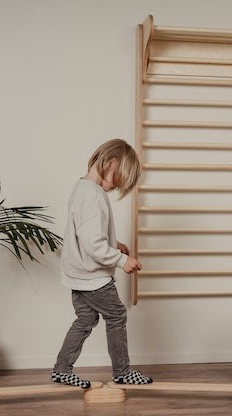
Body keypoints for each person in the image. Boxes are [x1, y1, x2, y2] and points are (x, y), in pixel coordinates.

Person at [51, 139, 153, 388]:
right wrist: (121, 260)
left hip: (78, 273)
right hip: (93, 276)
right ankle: (122, 371)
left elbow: (87, 233)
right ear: (111, 163)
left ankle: (61, 369)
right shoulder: (93, 195)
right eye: (118, 179)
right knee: (116, 315)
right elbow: (93, 245)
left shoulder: (81, 188)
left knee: (85, 320)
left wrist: (113, 242)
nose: (116, 186)